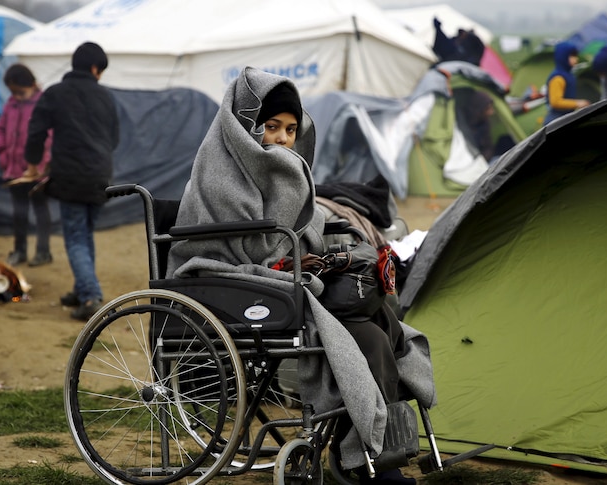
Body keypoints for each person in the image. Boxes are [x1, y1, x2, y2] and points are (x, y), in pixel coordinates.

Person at [166, 66, 435, 484]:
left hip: (279, 279)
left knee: (383, 325)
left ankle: (372, 449)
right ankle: (372, 459)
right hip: (231, 282)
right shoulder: (219, 173)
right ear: (244, 126)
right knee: (364, 337)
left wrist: (322, 255)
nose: (282, 139)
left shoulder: (280, 171)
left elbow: (295, 234)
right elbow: (248, 245)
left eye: (291, 130)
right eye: (271, 126)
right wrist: (291, 255)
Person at [24, 42, 120, 321]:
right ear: (94, 69)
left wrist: (32, 165)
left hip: (70, 176)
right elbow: (114, 139)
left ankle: (90, 295)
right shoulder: (106, 97)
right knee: (85, 234)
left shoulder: (55, 93)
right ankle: (81, 290)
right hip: (101, 176)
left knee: (76, 238)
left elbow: (36, 131)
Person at [0, 63, 53, 267]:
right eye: (13, 92)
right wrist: (2, 152)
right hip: (14, 172)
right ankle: (19, 250)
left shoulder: (43, 104)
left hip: (37, 173)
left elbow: (50, 137)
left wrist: (41, 164)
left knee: (41, 211)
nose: (17, 96)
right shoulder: (11, 104)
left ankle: (43, 251)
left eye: (21, 92)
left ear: (33, 85)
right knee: (19, 213)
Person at [543, 42, 590, 126]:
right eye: (572, 56)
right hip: (555, 121)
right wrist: (577, 103)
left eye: (575, 56)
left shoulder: (568, 74)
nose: (576, 59)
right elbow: (555, 102)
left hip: (565, 118)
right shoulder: (558, 77)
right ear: (563, 57)